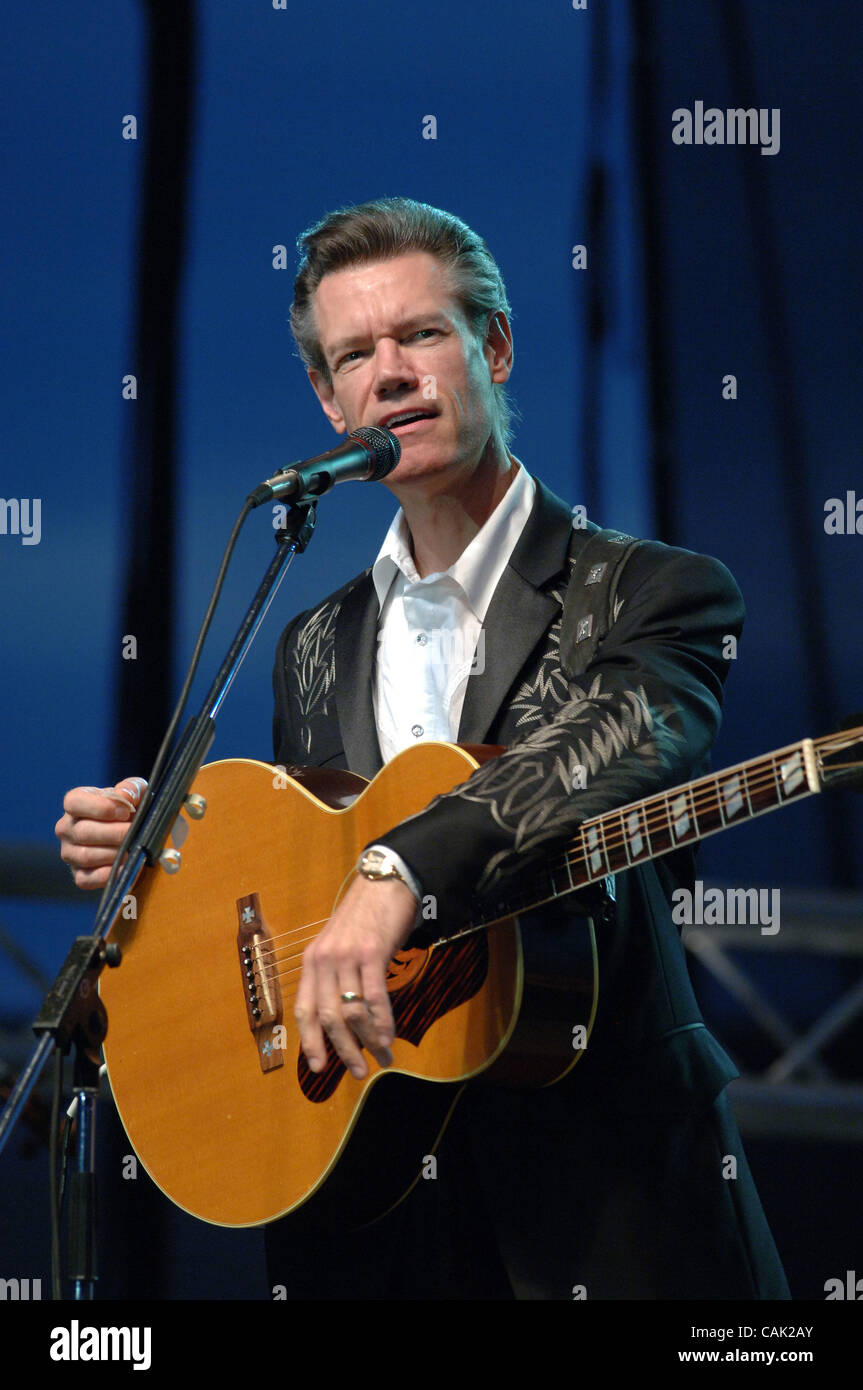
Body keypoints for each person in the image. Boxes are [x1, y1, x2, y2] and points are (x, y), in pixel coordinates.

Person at [56, 196, 789, 1300]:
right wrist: (174, 864)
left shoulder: (652, 589)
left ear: (492, 347)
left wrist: (394, 872)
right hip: (368, 1206)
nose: (389, 372)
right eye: (355, 353)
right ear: (326, 396)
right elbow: (303, 872)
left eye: (421, 334)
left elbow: (614, 738)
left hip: (610, 1207)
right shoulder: (312, 641)